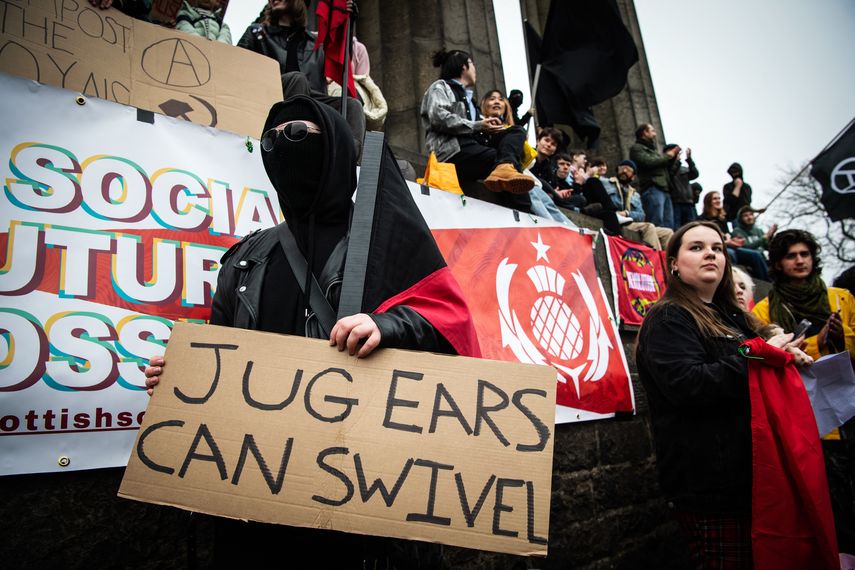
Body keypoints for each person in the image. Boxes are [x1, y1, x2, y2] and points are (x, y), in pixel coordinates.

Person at [145, 95, 480, 567]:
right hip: (258, 500)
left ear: (335, 147)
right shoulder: (246, 257)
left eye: (298, 133)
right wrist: (184, 376)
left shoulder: (386, 243)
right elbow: (220, 349)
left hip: (361, 502)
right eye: (271, 139)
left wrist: (386, 325)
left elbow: (449, 326)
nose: (283, 145)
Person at [636, 221, 807, 568]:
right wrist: (759, 355)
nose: (710, 254)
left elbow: (752, 367)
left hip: (752, 475)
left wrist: (785, 358)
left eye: (717, 248)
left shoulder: (733, 317)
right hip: (711, 483)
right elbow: (688, 384)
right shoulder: (668, 317)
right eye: (696, 247)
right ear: (674, 263)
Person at [237, 0, 365, 156]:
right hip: (271, 96)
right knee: (298, 80)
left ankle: (346, 158)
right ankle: (295, 142)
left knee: (353, 105)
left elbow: (340, 58)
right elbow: (236, 68)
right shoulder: (257, 33)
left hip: (311, 99)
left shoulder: (316, 43)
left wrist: (347, 22)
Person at [420, 49, 534, 212]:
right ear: (464, 66)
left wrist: (489, 130)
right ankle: (526, 214)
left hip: (472, 150)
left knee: (515, 131)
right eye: (472, 64)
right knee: (504, 162)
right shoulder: (440, 87)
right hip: (452, 153)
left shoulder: (471, 101)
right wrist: (478, 125)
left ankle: (505, 169)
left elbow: (475, 130)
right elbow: (439, 117)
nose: (475, 70)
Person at [752, 229, 854, 360]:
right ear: (778, 264)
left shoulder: (842, 297)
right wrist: (817, 342)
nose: (799, 261)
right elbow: (764, 356)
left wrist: (841, 336)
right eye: (791, 256)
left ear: (812, 258)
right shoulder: (763, 311)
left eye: (804, 254)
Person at [478, 92, 569, 224]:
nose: (497, 101)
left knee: (546, 200)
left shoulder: (511, 129)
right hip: (497, 168)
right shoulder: (477, 122)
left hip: (521, 173)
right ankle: (553, 227)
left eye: (501, 99)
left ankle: (571, 228)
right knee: (531, 192)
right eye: (492, 99)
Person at [604, 159, 672, 250]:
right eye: (622, 168)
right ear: (617, 169)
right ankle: (655, 258)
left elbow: (641, 215)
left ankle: (668, 259)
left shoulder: (635, 194)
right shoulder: (606, 183)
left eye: (628, 170)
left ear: (633, 177)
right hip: (614, 222)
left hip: (629, 223)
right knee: (649, 227)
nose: (624, 171)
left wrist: (627, 213)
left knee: (667, 232)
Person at [700, 192, 769, 280]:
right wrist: (727, 242)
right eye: (715, 199)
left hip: (728, 245)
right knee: (731, 254)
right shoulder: (702, 219)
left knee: (755, 255)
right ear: (708, 201)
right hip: (716, 247)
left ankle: (766, 281)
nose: (718, 201)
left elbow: (727, 234)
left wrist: (734, 240)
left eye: (719, 198)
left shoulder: (722, 218)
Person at [629, 123, 680, 229]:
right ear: (645, 132)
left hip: (664, 189)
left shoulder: (653, 151)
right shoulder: (637, 148)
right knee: (656, 223)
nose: (655, 134)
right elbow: (648, 162)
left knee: (668, 226)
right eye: (652, 131)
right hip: (653, 187)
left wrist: (673, 159)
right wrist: (668, 156)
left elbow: (666, 169)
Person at [666, 144, 699, 229]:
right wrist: (677, 161)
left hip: (688, 202)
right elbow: (671, 174)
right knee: (677, 228)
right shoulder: (666, 168)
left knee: (692, 228)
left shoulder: (683, 169)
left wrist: (689, 160)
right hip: (676, 202)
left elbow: (695, 174)